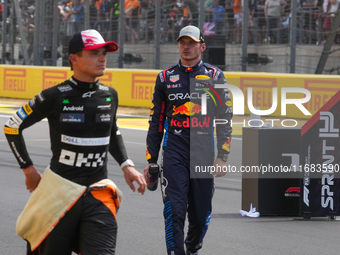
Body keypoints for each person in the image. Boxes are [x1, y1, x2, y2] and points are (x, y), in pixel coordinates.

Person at [3, 29, 146, 255]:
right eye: (93, 53)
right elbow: (12, 126)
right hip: (59, 193)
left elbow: (113, 131)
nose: (102, 58)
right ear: (74, 59)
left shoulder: (111, 95)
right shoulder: (53, 96)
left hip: (99, 192)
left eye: (104, 53)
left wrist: (126, 164)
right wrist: (28, 169)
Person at [144, 25, 232, 255]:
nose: (187, 47)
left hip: (203, 151)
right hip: (174, 149)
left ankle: (192, 246)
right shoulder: (165, 77)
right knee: (175, 209)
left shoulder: (215, 76)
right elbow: (156, 120)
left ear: (202, 46)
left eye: (191, 43)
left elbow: (225, 118)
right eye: (183, 42)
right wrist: (151, 159)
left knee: (201, 214)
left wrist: (222, 156)